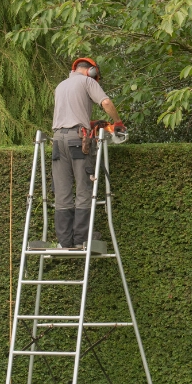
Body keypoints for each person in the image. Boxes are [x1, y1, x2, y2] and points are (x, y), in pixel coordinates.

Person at [51, 57, 123, 249]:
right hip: (78, 141)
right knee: (84, 189)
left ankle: (64, 241)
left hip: (58, 140)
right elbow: (106, 102)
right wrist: (117, 123)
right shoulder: (87, 81)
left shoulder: (60, 86)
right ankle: (82, 238)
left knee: (62, 191)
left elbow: (70, 114)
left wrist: (86, 123)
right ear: (91, 71)